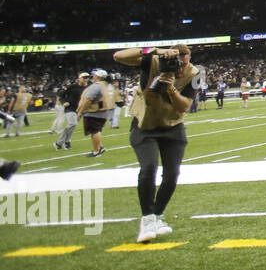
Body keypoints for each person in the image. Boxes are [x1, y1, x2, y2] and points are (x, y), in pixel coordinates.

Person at [113, 45, 198, 243]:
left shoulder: (194, 73)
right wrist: (155, 51)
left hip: (173, 126)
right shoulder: (153, 61)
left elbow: (184, 106)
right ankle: (147, 218)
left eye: (182, 62)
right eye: (175, 61)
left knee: (171, 175)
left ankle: (157, 215)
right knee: (149, 167)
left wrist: (170, 88)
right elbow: (118, 56)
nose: (178, 67)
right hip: (145, 126)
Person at [74, 69, 114, 157]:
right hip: (103, 111)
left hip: (94, 111)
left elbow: (88, 99)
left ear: (97, 77)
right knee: (96, 130)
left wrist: (80, 112)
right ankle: (100, 147)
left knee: (94, 131)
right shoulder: (107, 85)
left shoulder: (97, 86)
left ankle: (96, 151)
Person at [55, 73, 88, 151]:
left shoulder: (87, 88)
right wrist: (64, 102)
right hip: (70, 108)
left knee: (72, 127)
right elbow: (61, 95)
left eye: (87, 78)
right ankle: (60, 142)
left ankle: (65, 142)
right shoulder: (72, 87)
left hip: (79, 109)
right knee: (72, 123)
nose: (86, 79)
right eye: (84, 77)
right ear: (79, 78)